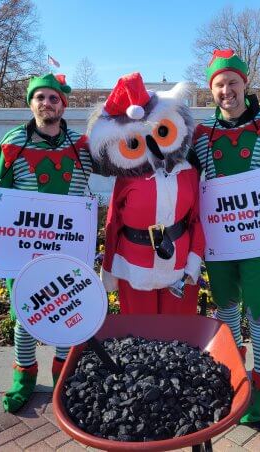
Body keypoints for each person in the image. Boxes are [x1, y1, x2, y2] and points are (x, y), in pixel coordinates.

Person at [0, 73, 93, 413]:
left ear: (62, 105)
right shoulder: (14, 141)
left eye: (53, 98)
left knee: (68, 313)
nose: (46, 104)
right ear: (31, 102)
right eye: (40, 98)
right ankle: (24, 379)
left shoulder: (81, 145)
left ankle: (64, 377)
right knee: (25, 316)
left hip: (68, 247)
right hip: (23, 249)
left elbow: (120, 161)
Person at [191, 49, 260, 432]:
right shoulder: (201, 134)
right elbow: (189, 182)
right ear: (212, 90)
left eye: (233, 83)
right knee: (225, 311)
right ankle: (233, 382)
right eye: (219, 85)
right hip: (220, 240)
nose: (227, 91)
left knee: (259, 313)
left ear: (245, 84)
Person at [87, 72, 205, 314]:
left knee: (178, 334)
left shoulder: (188, 172)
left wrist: (194, 261)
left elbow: (196, 220)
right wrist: (109, 267)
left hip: (178, 263)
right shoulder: (126, 178)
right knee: (139, 333)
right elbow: (113, 223)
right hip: (134, 265)